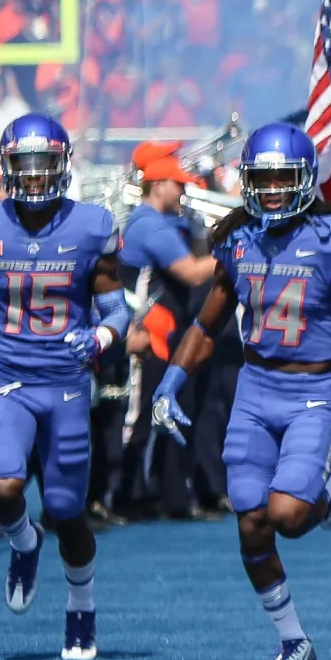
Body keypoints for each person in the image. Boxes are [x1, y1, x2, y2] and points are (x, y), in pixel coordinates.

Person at [151, 123, 331, 660]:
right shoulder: (238, 240)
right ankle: (293, 640)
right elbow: (207, 323)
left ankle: (328, 484)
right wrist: (170, 383)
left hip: (312, 392)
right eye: (261, 178)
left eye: (282, 178)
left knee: (289, 516)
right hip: (255, 387)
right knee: (250, 520)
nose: (270, 190)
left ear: (306, 181)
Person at [0, 114, 129, 660]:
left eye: (44, 165)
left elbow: (116, 307)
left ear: (63, 166)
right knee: (3, 486)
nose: (34, 177)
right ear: (6, 169)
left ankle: (81, 608)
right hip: (9, 378)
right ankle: (24, 542)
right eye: (23, 166)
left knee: (68, 510)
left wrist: (100, 335)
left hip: (68, 383)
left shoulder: (90, 225)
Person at [117, 153, 218, 521]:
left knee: (150, 417)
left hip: (161, 334)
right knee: (138, 418)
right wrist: (235, 252)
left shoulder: (160, 224)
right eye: (177, 184)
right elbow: (192, 273)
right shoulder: (151, 226)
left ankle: (145, 493)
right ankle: (124, 494)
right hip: (148, 335)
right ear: (157, 186)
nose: (183, 191)